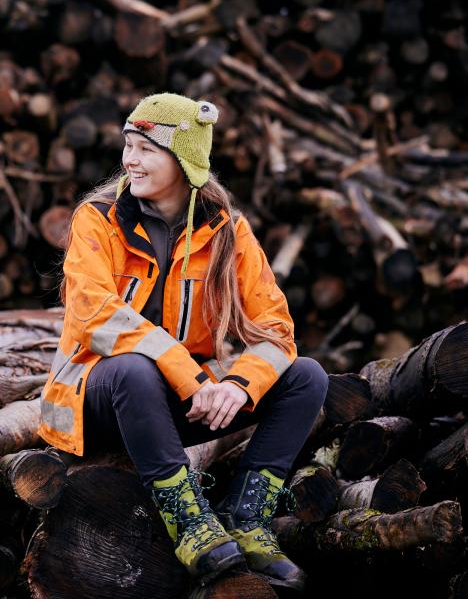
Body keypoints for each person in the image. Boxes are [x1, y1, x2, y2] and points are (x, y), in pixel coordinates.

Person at [38, 93, 328, 591]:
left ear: (185, 159)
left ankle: (245, 518)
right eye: (127, 146)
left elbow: (276, 329)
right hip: (95, 401)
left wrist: (237, 385)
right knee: (135, 368)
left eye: (146, 148)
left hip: (177, 404)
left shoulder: (228, 232)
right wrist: (189, 375)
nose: (130, 160)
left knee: (307, 376)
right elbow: (94, 316)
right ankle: (191, 525)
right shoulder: (98, 218)